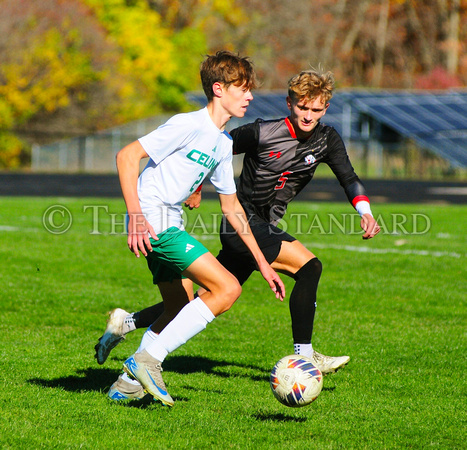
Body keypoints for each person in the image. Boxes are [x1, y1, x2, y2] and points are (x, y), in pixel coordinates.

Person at [98, 69, 381, 399]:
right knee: (302, 268)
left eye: (316, 110)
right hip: (235, 223)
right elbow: (177, 153)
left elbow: (348, 176)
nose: (308, 115)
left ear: (326, 109)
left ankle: (126, 346)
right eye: (302, 107)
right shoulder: (257, 131)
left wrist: (365, 211)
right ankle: (303, 355)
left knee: (189, 302)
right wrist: (189, 189)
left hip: (246, 226)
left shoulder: (325, 140)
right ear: (290, 104)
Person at [105, 50, 285, 407]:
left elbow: (232, 208)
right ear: (219, 89)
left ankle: (126, 385)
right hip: (153, 220)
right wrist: (136, 216)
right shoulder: (188, 124)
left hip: (168, 219)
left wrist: (263, 263)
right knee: (227, 289)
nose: (250, 97)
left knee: (177, 304)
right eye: (242, 89)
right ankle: (146, 361)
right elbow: (127, 156)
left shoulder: (222, 143)